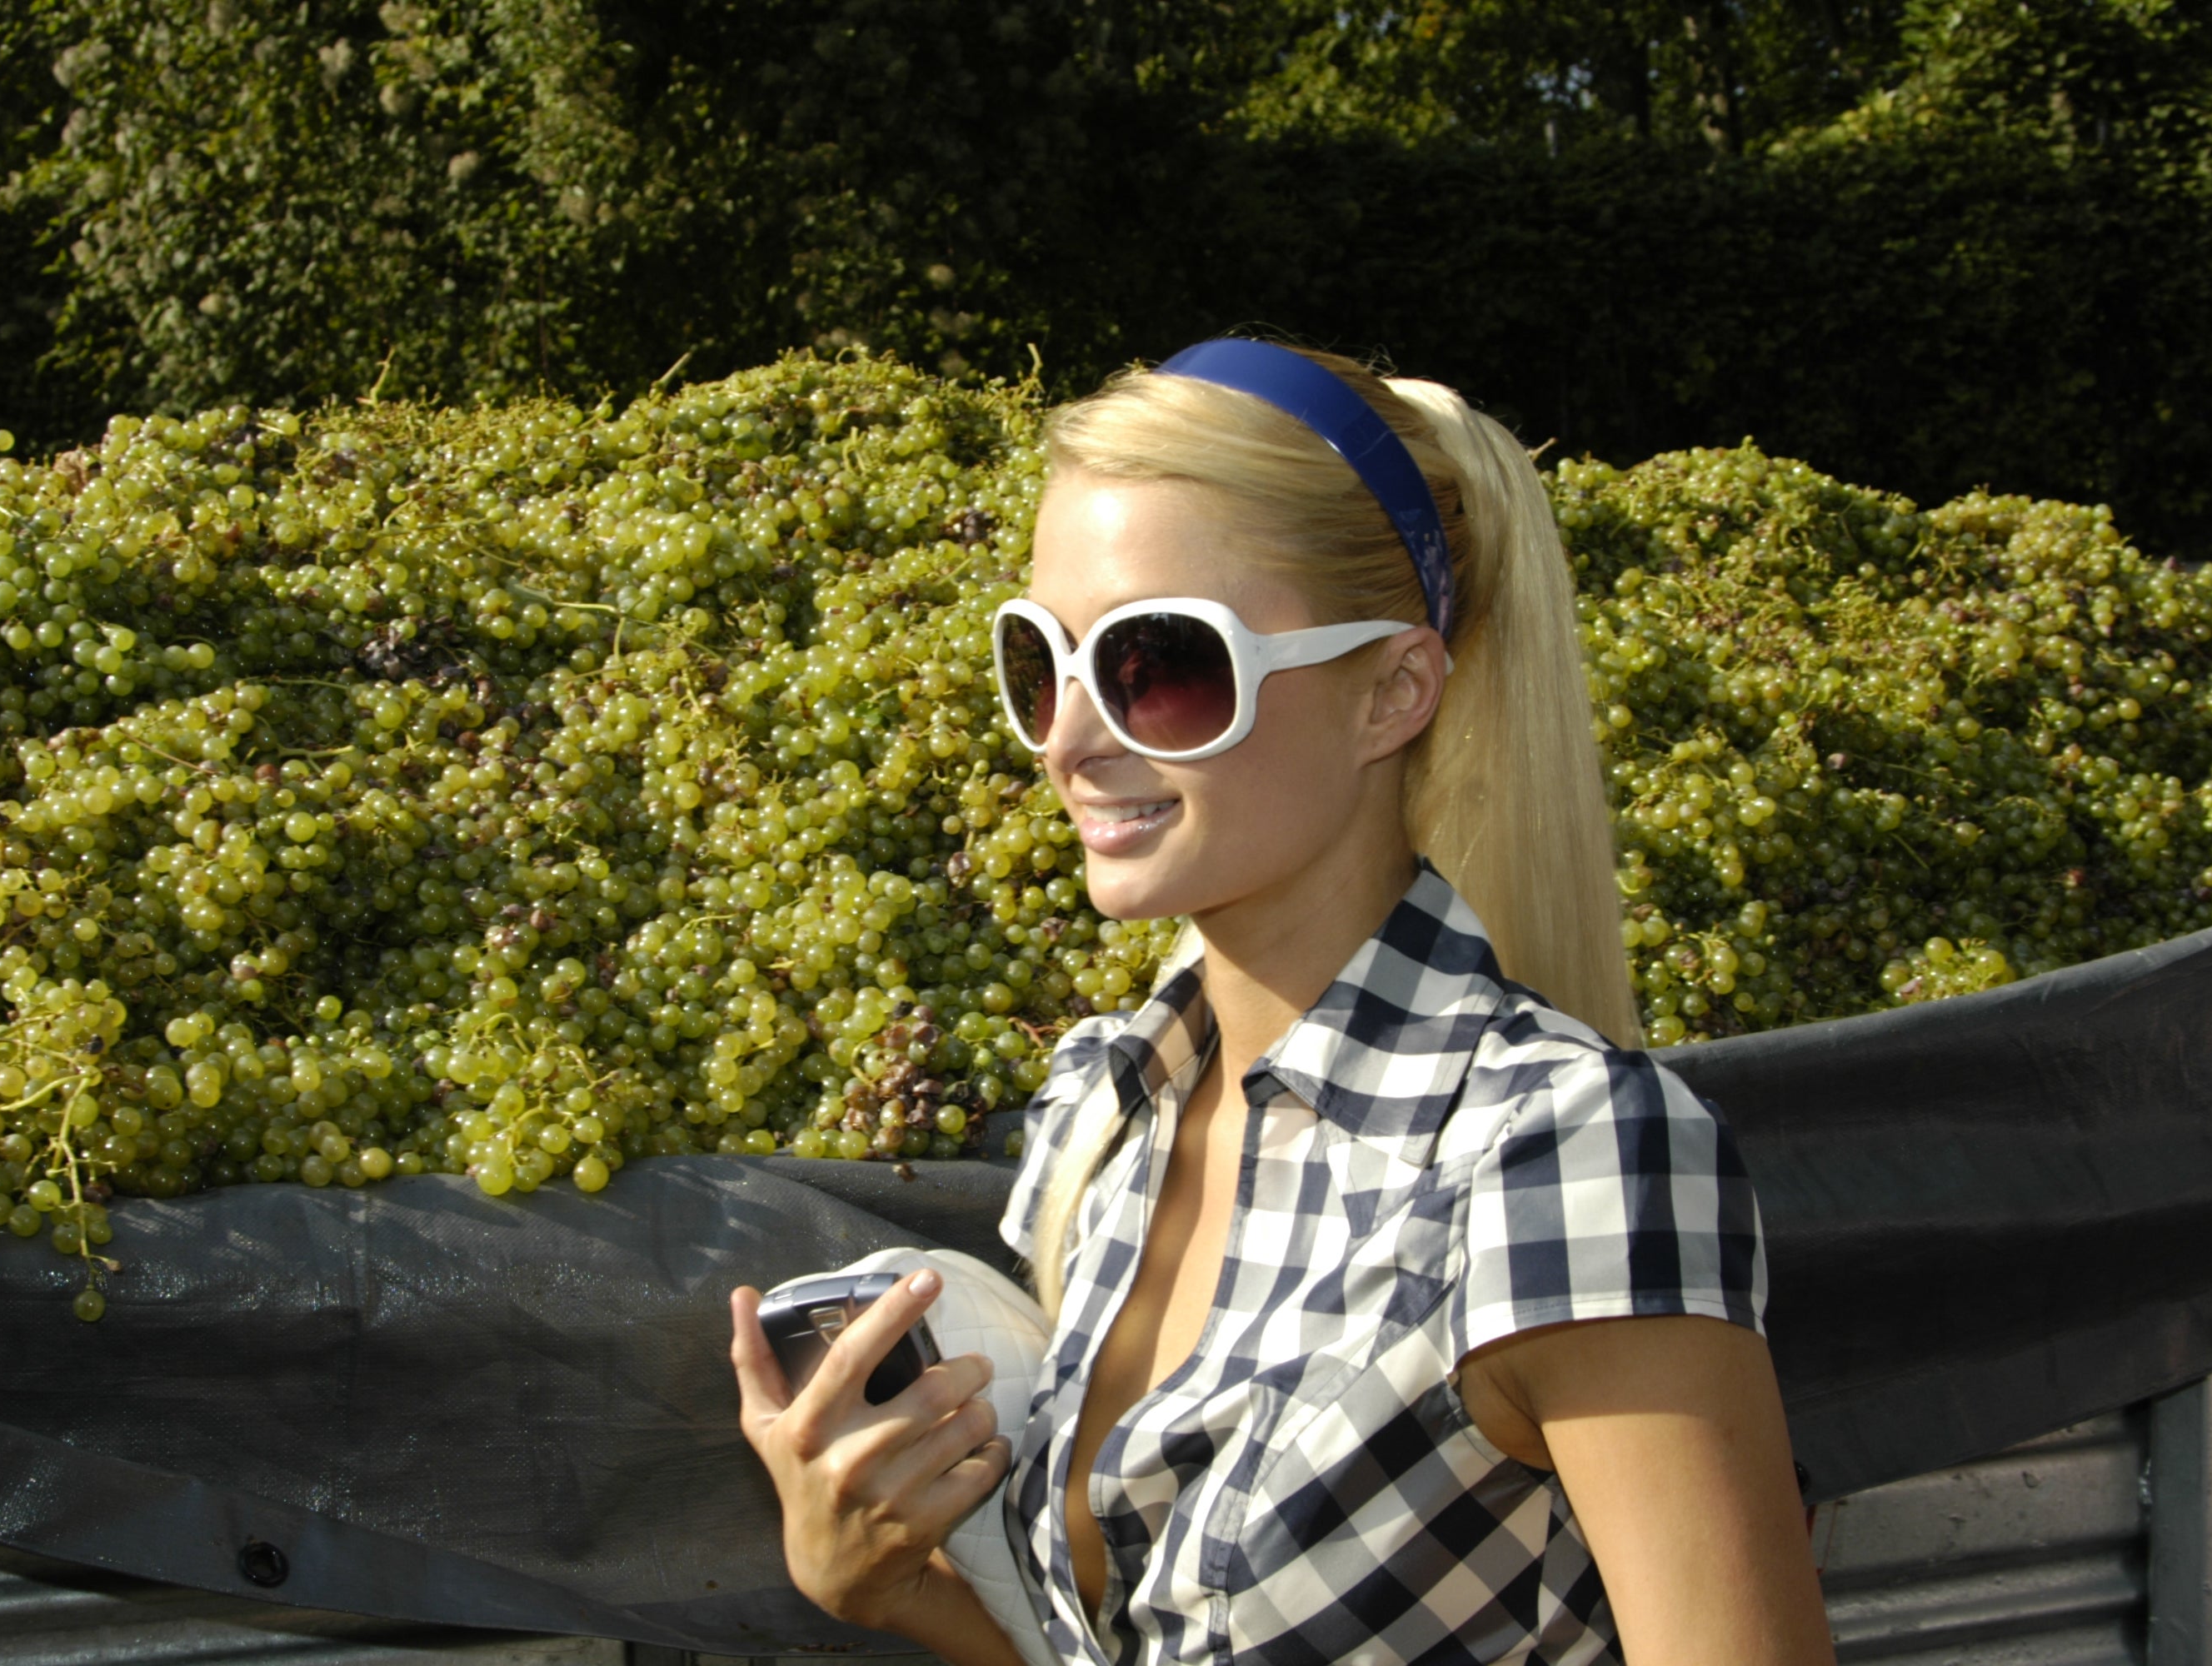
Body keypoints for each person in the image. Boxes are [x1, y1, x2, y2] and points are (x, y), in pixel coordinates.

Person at [729, 338, 1836, 1665]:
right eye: (1044, 661)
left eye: (1160, 665)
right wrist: (883, 1588)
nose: (1071, 739)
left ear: (1392, 693)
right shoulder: (1107, 1113)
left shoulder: (1556, 1158)